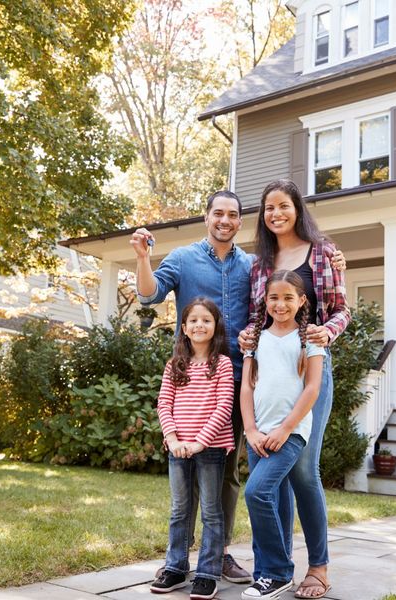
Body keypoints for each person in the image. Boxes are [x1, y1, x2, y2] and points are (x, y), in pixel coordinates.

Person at [131, 191, 253, 583]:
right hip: (191, 383)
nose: (225, 220)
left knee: (226, 474)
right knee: (186, 477)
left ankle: (219, 555)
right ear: (206, 217)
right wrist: (143, 258)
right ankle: (179, 558)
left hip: (237, 382)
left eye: (233, 215)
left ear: (239, 221)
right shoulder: (183, 258)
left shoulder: (250, 265)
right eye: (218, 213)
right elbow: (149, 295)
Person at [239, 179, 351, 599]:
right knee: (275, 475)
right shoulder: (259, 262)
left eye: (283, 206)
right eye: (268, 208)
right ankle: (278, 567)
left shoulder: (322, 251)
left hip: (310, 366)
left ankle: (318, 567)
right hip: (270, 371)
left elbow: (342, 309)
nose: (276, 214)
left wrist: (326, 332)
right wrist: (248, 338)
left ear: (296, 208)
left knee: (304, 471)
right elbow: (257, 316)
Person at [240, 270, 325, 600]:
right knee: (268, 498)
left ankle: (277, 572)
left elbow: (313, 388)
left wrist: (286, 427)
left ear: (302, 301)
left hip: (290, 433)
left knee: (257, 493)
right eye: (274, 297)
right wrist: (250, 430)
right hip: (258, 434)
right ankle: (264, 574)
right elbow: (246, 388)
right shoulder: (255, 340)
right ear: (265, 300)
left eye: (289, 297)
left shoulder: (310, 340)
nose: (280, 303)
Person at [151, 298, 234, 600]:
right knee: (179, 510)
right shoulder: (175, 365)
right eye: (194, 321)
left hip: (209, 448)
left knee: (211, 511)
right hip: (178, 447)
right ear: (184, 328)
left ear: (215, 327)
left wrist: (201, 440)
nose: (200, 325)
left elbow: (224, 406)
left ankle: (208, 573)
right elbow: (164, 403)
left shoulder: (222, 364)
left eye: (206, 320)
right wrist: (172, 439)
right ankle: (175, 567)